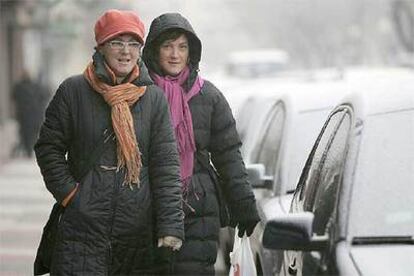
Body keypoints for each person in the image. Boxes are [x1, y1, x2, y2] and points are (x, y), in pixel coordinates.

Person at [34, 9, 184, 275]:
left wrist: (170, 226)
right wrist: (72, 196)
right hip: (82, 234)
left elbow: (166, 166)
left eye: (133, 43)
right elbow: (48, 148)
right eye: (116, 42)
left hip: (136, 239)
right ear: (101, 47)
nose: (125, 51)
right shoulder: (73, 91)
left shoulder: (153, 99)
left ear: (140, 50)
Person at [142, 13, 260, 275]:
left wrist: (244, 204)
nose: (175, 54)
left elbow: (228, 154)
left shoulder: (209, 96)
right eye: (167, 46)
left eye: (182, 47)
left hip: (197, 209)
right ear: (153, 51)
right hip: (146, 208)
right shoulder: (138, 93)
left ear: (191, 52)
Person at [12, 70, 48, 157]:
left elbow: (13, 96)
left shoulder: (19, 86)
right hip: (34, 115)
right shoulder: (36, 86)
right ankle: (29, 148)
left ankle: (27, 148)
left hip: (24, 115)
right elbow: (44, 96)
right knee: (32, 132)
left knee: (25, 132)